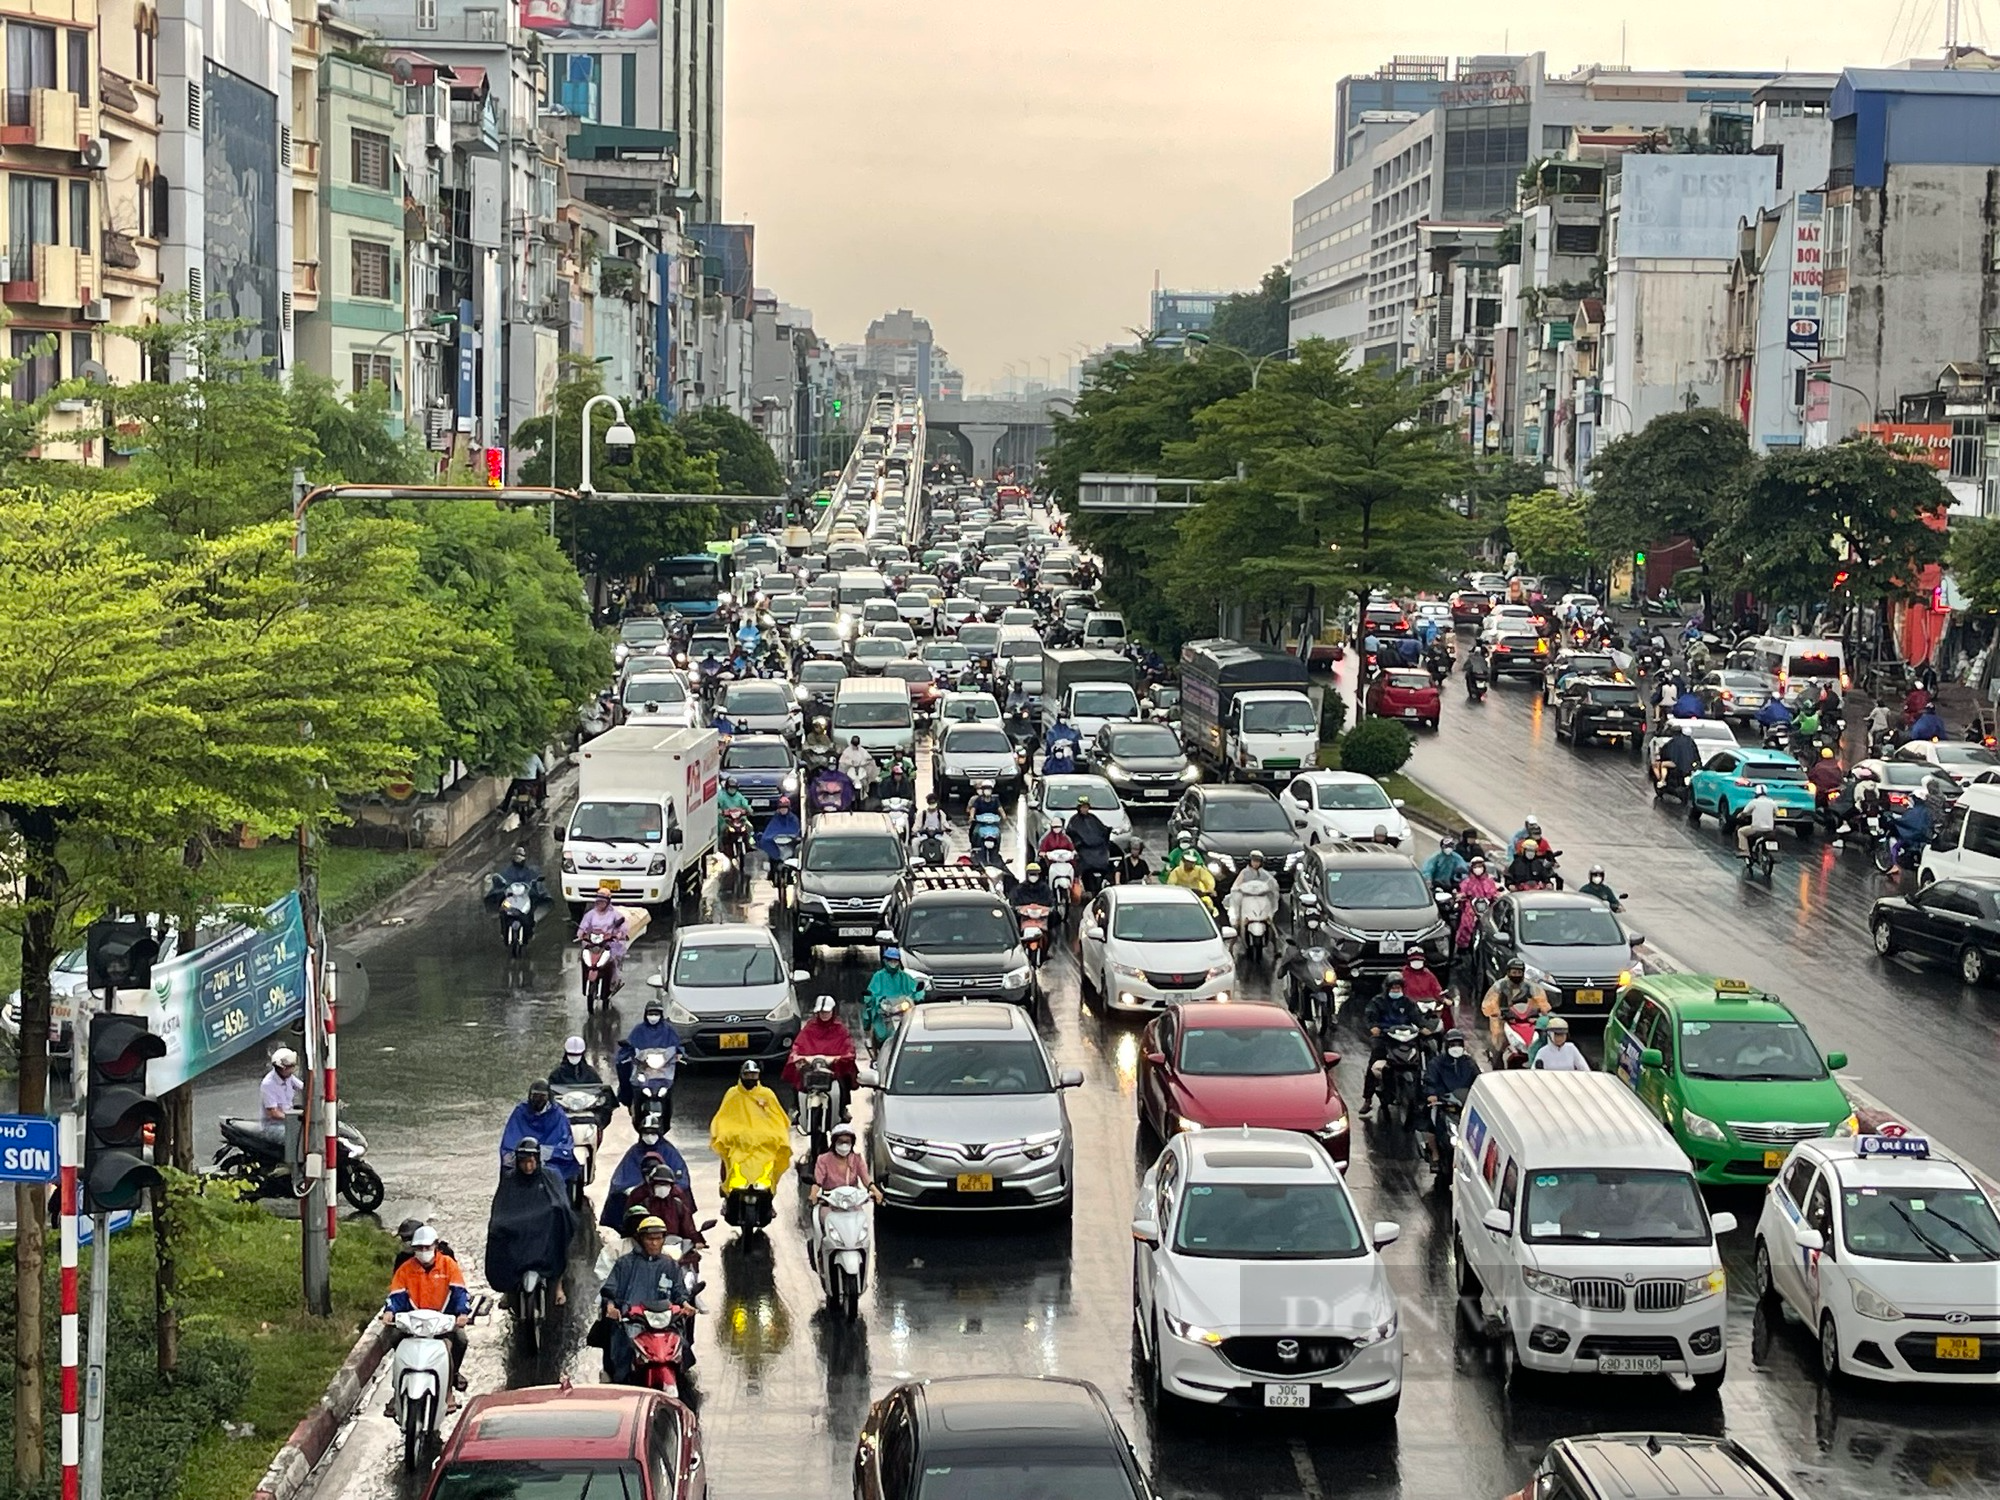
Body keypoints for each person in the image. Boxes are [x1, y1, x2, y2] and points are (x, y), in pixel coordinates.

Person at [483, 1136, 575, 1310]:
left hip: (543, 1231)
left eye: (531, 1162)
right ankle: (508, 1290)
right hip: (518, 1232)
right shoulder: (510, 1180)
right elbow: (501, 1208)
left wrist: (556, 1212)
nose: (528, 1166)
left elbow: (561, 1202)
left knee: (559, 1243)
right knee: (499, 1242)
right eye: (523, 1162)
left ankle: (558, 1286)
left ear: (537, 1160)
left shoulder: (550, 1176)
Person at [381, 1226, 470, 1404]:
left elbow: (460, 1291)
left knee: (460, 1341)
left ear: (436, 1246)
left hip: (442, 1322)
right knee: (394, 1339)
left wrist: (462, 1313)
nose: (423, 1252)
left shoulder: (448, 1265)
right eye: (419, 1249)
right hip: (414, 1324)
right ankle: (397, 1388)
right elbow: (396, 1295)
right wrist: (390, 1311)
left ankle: (450, 1382)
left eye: (427, 1248)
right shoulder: (406, 1269)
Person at [599, 1217, 694, 1383]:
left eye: (658, 1239)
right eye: (650, 1239)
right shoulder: (624, 1263)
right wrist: (611, 1307)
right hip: (633, 1321)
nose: (654, 1243)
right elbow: (610, 1291)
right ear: (640, 1239)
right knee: (625, 1352)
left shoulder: (670, 1264)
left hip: (664, 1321)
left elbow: (679, 1291)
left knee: (682, 1348)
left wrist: (686, 1305)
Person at [708, 1061, 793, 1196]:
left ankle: (769, 1195)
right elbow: (723, 1119)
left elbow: (778, 1119)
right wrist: (726, 1134)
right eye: (748, 1075)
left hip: (763, 1145)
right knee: (728, 1158)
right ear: (742, 1075)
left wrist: (776, 1135)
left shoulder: (767, 1094)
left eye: (754, 1075)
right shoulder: (733, 1094)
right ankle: (726, 1192)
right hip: (738, 1144)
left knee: (771, 1163)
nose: (751, 1079)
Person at [1359, 977, 1422, 1118]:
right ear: (1387, 988)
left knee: (1418, 1058)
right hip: (1384, 1037)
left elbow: (1416, 1017)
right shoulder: (1378, 1002)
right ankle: (1367, 1099)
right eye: (1393, 988)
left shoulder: (1408, 1003)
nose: (1395, 990)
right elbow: (1370, 1016)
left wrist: (1423, 1027)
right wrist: (1374, 1027)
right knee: (1375, 1061)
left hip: (1404, 1037)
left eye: (1398, 988)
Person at [500, 1079, 580, 1185]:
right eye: (535, 1096)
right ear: (529, 1096)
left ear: (549, 1097)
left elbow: (565, 1146)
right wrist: (519, 1156)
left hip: (550, 1162)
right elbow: (509, 1142)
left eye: (542, 1096)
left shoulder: (557, 1115)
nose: (538, 1100)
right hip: (521, 1159)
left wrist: (543, 1153)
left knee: (562, 1172)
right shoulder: (520, 1112)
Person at [1421, 1028, 1480, 1168]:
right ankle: (1435, 1154)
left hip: (1465, 1104)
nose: (1456, 1048)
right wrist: (1432, 1095)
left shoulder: (1469, 1063)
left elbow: (1478, 1080)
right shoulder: (1436, 1063)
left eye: (1458, 1044)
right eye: (1452, 1044)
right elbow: (1430, 1081)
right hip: (1443, 1104)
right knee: (1431, 1122)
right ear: (1446, 1045)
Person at [783, 993, 859, 1094]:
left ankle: (841, 1108)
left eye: (827, 1012)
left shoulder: (840, 1029)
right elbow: (799, 1045)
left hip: (833, 1070)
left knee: (843, 1082)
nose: (824, 1015)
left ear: (833, 1011)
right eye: (821, 1012)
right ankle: (797, 1106)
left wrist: (840, 1058)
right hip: (811, 1068)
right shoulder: (810, 1027)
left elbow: (849, 1049)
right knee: (799, 1082)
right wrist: (798, 1057)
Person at [809, 1123, 884, 1225]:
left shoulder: (856, 1159)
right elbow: (818, 1182)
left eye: (847, 1142)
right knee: (826, 1223)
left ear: (852, 1143)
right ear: (834, 1142)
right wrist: (814, 1194)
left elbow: (866, 1178)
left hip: (852, 1204)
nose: (844, 1145)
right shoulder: (823, 1160)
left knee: (862, 1223)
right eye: (841, 1142)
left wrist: (876, 1191)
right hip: (830, 1204)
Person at [615, 1000, 685, 1106]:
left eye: (656, 1014)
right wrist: (628, 1051)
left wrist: (679, 1053)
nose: (653, 1017)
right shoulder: (639, 1030)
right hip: (643, 1065)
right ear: (646, 1014)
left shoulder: (669, 1030)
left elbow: (676, 1044)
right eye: (651, 1014)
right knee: (623, 1067)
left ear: (661, 1015)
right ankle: (629, 1100)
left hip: (664, 1067)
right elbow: (631, 1043)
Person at [1482, 958, 1550, 1050]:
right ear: (1508, 972)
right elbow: (1490, 1002)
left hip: (1525, 1018)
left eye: (1519, 972)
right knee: (1497, 1033)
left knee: (1543, 1030)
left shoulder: (1530, 986)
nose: (1516, 975)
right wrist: (1496, 1012)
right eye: (1514, 973)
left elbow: (1541, 1000)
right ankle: (1497, 1056)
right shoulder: (1499, 986)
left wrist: (1542, 1010)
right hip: (1504, 1018)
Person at [548, 1034, 615, 1128]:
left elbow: (600, 1091)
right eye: (571, 1054)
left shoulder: (591, 1073)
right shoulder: (556, 1074)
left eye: (577, 1055)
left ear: (582, 1054)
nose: (574, 1057)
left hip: (589, 1113)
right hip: (563, 1114)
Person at [575, 883, 631, 993]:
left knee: (614, 959)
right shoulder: (590, 914)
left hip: (609, 944)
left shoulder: (615, 914)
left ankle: (614, 981)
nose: (600, 903)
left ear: (608, 902)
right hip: (592, 943)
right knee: (584, 958)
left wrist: (619, 934)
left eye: (603, 901)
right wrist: (581, 933)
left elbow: (622, 927)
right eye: (599, 901)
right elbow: (583, 926)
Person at [862, 947, 923, 1046]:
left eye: (895, 960)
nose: (893, 962)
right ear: (885, 960)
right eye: (890, 960)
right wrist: (871, 998)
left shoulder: (905, 977)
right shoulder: (878, 976)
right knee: (869, 1011)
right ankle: (871, 1039)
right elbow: (872, 991)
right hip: (884, 1009)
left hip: (902, 1008)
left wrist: (919, 994)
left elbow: (915, 989)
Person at [1224, 850, 1281, 934]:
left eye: (1258, 861)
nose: (1255, 863)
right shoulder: (1244, 872)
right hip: (1246, 895)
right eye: (1254, 861)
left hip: (1261, 896)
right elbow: (1236, 885)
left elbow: (1272, 883)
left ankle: (1269, 917)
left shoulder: (1264, 873)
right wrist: (1237, 888)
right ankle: (1236, 919)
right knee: (1235, 898)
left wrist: (1272, 888)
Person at [1066, 796, 1116, 889]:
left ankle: (1105, 881)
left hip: (1098, 848)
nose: (1085, 809)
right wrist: (1080, 842)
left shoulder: (1093, 818)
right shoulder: (1074, 821)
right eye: (1083, 807)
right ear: (1079, 808)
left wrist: (1108, 830)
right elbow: (1072, 834)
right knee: (1085, 863)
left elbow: (1101, 829)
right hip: (1084, 849)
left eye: (1086, 807)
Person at [1454, 857, 1501, 948]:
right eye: (1475, 867)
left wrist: (1496, 896)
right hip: (1471, 907)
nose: (1478, 869)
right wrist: (1461, 896)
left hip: (1487, 908)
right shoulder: (1467, 882)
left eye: (1480, 866)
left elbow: (1494, 893)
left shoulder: (1489, 882)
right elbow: (1461, 893)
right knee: (1466, 923)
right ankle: (1463, 947)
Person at [259, 1047, 302, 1139]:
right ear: (283, 1068)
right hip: (273, 1126)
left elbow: (303, 1088)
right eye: (291, 1067)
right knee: (295, 1138)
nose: (293, 1069)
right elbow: (273, 1113)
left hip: (288, 1121)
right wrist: (295, 1118)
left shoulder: (289, 1077)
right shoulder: (268, 1084)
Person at [755, 795, 804, 875]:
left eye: (785, 807)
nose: (783, 810)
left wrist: (794, 837)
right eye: (781, 808)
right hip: (776, 846)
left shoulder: (793, 819)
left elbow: (796, 831)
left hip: (789, 846)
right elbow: (769, 832)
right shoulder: (775, 819)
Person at [1400, 951, 1449, 1022]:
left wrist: (1444, 999)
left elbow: (1437, 989)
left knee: (1446, 1012)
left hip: (1430, 1006)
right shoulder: (1403, 975)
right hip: (1411, 1007)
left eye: (1419, 960)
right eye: (1414, 960)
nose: (1417, 963)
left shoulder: (1429, 975)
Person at [1737, 783, 1779, 859]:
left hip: (1756, 828)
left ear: (1756, 793)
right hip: (1769, 829)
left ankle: (1745, 851)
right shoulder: (1772, 802)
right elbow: (1776, 813)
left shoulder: (1754, 802)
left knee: (1741, 832)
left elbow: (1745, 812)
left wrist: (1740, 815)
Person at [838, 736, 878, 801]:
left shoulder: (863, 751)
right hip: (850, 770)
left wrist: (868, 761)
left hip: (861, 770)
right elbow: (842, 761)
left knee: (865, 780)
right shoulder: (847, 751)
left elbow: (868, 758)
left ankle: (865, 791)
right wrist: (849, 763)